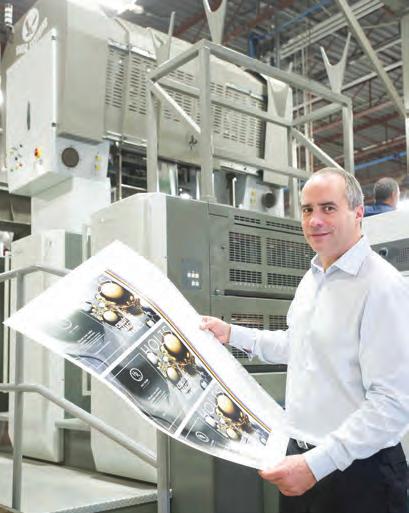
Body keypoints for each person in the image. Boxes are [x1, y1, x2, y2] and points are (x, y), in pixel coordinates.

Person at [201, 167, 409, 513]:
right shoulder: (313, 279)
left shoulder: (382, 286)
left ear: (358, 212)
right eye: (307, 209)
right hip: (302, 459)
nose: (315, 220)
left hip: (360, 475)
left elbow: (392, 404)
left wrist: (317, 464)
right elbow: (298, 345)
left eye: (328, 208)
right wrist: (233, 334)